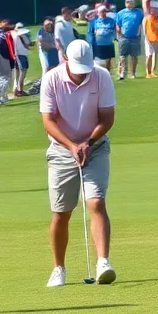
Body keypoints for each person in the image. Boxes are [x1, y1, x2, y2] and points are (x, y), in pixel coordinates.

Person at [39, 40, 117, 287]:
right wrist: (72, 146)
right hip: (62, 151)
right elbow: (48, 120)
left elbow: (107, 118)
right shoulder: (51, 79)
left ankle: (103, 262)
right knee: (62, 213)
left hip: (95, 147)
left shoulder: (101, 76)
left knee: (96, 202)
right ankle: (58, 268)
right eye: (78, 69)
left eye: (86, 68)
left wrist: (88, 143)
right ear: (66, 62)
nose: (83, 73)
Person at [114, 0, 144, 80]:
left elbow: (142, 22)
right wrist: (119, 34)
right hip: (124, 37)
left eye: (130, 2)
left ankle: (133, 73)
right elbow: (117, 24)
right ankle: (123, 72)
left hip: (135, 38)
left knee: (134, 56)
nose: (129, 4)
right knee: (122, 56)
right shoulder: (121, 13)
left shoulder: (139, 12)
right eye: (127, 2)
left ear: (133, 3)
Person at [87, 5, 117, 71]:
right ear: (98, 13)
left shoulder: (111, 21)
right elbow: (90, 33)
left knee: (108, 60)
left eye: (104, 11)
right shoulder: (94, 21)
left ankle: (107, 73)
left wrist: (115, 37)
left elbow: (115, 30)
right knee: (97, 60)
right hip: (98, 44)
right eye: (101, 12)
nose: (103, 13)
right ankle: (97, 72)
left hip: (109, 43)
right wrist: (90, 42)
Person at [11, 22, 33, 95]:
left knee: (16, 71)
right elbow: (28, 43)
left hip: (15, 55)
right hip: (21, 54)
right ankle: (20, 89)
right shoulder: (22, 35)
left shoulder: (13, 35)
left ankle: (15, 88)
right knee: (23, 71)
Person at [142, 6, 158, 78]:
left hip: (157, 39)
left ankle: (153, 72)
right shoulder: (146, 19)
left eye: (155, 10)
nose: (154, 11)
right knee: (149, 55)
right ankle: (148, 73)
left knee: (155, 55)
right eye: (152, 10)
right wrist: (146, 39)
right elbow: (144, 30)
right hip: (149, 39)